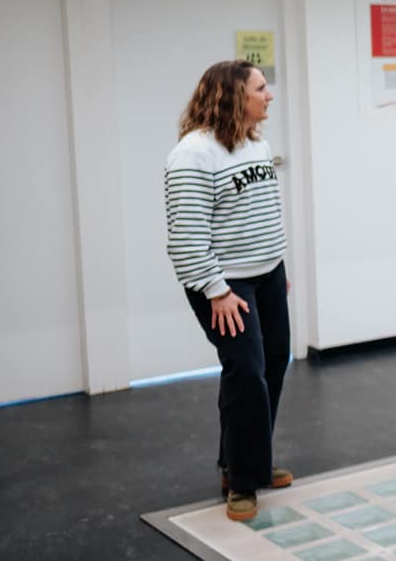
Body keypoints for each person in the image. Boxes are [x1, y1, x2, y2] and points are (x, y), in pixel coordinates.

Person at [166, 60, 292, 521]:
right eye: (262, 88)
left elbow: (261, 213)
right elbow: (184, 236)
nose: (269, 96)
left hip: (267, 275)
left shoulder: (256, 143)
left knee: (273, 362)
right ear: (235, 96)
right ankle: (243, 480)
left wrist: (277, 264)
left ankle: (241, 459)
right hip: (224, 282)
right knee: (245, 373)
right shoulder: (194, 155)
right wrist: (217, 291)